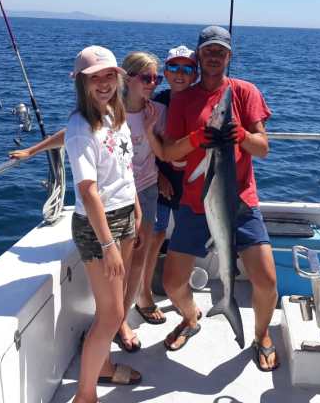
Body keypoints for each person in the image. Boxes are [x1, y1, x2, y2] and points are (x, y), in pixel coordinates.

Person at [16, 45, 143, 403]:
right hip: (98, 227)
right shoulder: (81, 125)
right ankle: (85, 395)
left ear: (117, 79)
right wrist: (107, 246)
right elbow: (87, 192)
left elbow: (119, 163)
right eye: (94, 78)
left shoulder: (111, 113)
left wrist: (34, 149)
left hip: (123, 216)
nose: (103, 83)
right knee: (112, 314)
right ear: (81, 84)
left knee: (113, 308)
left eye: (108, 76)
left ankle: (103, 368)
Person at [161, 26, 280, 371]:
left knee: (268, 282)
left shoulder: (245, 92)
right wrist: (199, 137)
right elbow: (169, 152)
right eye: (208, 50)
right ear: (199, 55)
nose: (214, 56)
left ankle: (261, 335)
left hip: (240, 201)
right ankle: (190, 317)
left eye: (221, 51)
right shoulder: (183, 99)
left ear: (229, 56)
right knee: (171, 282)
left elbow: (264, 148)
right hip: (195, 203)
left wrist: (241, 135)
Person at [135, 45, 199, 325]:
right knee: (155, 236)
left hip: (193, 185)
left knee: (188, 240)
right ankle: (144, 293)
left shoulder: (202, 101)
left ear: (195, 74)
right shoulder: (157, 103)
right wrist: (160, 175)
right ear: (166, 73)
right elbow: (149, 144)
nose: (180, 74)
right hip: (160, 182)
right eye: (174, 68)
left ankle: (181, 292)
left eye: (187, 68)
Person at [113, 51, 166, 350]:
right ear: (127, 78)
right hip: (119, 195)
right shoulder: (110, 111)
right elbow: (73, 134)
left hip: (147, 190)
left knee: (140, 256)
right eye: (146, 77)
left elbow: (162, 152)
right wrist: (32, 151)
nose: (152, 83)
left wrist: (148, 129)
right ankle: (115, 316)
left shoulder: (158, 111)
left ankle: (123, 314)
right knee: (121, 260)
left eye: (156, 78)